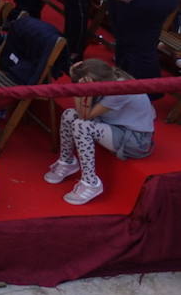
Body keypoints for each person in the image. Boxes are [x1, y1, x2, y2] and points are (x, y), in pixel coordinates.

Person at [45, 59, 156, 206]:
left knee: (82, 126)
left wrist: (82, 91)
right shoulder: (108, 79)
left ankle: (91, 183)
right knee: (69, 115)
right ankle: (67, 162)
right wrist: (79, 84)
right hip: (114, 125)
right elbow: (81, 112)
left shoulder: (118, 89)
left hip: (134, 139)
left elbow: (85, 116)